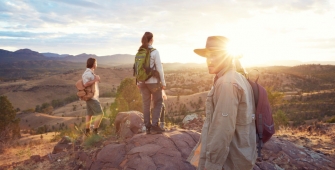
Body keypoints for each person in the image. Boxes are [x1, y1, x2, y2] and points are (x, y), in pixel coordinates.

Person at [187, 36, 257, 170]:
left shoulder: (227, 84)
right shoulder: (238, 78)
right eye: (207, 56)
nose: (209, 61)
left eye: (214, 55)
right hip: (238, 157)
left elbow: (222, 130)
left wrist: (212, 165)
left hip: (228, 162)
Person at [138, 32, 166, 134]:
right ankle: (155, 125)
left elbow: (137, 69)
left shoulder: (140, 51)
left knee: (146, 104)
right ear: (151, 40)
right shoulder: (154, 52)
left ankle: (147, 127)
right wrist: (163, 82)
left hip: (142, 82)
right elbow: (159, 68)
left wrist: (138, 81)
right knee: (158, 102)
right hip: (153, 82)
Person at [82, 58, 104, 135]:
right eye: (96, 63)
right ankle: (95, 132)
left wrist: (96, 78)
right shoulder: (88, 73)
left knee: (89, 114)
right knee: (100, 114)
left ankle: (87, 132)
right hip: (92, 98)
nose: (96, 64)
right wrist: (95, 80)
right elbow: (85, 84)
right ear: (93, 64)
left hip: (91, 97)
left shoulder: (90, 72)